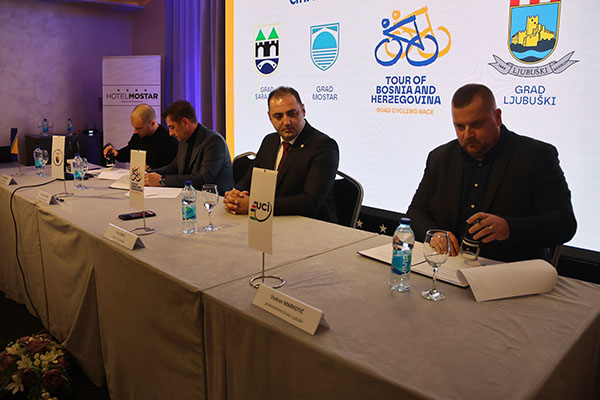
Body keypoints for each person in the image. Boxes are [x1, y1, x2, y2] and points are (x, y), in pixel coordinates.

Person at [407, 83, 576, 262]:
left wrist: (509, 228)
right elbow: (416, 212)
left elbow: (564, 224)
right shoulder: (440, 158)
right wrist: (433, 234)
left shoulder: (537, 156)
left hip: (510, 269)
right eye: (460, 126)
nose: (467, 135)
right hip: (450, 265)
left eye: (477, 124)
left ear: (497, 117)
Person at [224, 86, 339, 222]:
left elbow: (310, 202)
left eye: (292, 114)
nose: (286, 122)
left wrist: (255, 205)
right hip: (271, 220)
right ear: (269, 117)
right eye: (278, 116)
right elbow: (249, 181)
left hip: (312, 224)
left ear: (303, 111)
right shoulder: (270, 141)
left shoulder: (324, 146)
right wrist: (234, 195)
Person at [144, 100, 234, 194]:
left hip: (215, 198)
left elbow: (203, 179)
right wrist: (147, 174)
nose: (170, 133)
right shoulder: (184, 139)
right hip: (191, 195)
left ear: (185, 122)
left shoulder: (214, 141)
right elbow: (174, 167)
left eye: (172, 127)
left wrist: (162, 180)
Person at [103, 104, 177, 169]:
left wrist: (151, 169)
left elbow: (171, 168)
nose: (135, 131)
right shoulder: (139, 135)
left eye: (139, 128)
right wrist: (116, 153)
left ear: (152, 123)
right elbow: (130, 152)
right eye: (134, 128)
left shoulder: (168, 140)